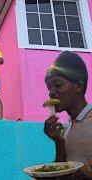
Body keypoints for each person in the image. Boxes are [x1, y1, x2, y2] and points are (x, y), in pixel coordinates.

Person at [42, 51, 92, 180]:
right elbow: (62, 172)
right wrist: (59, 142)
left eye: (58, 85)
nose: (52, 92)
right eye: (49, 88)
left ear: (78, 86)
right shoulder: (68, 127)